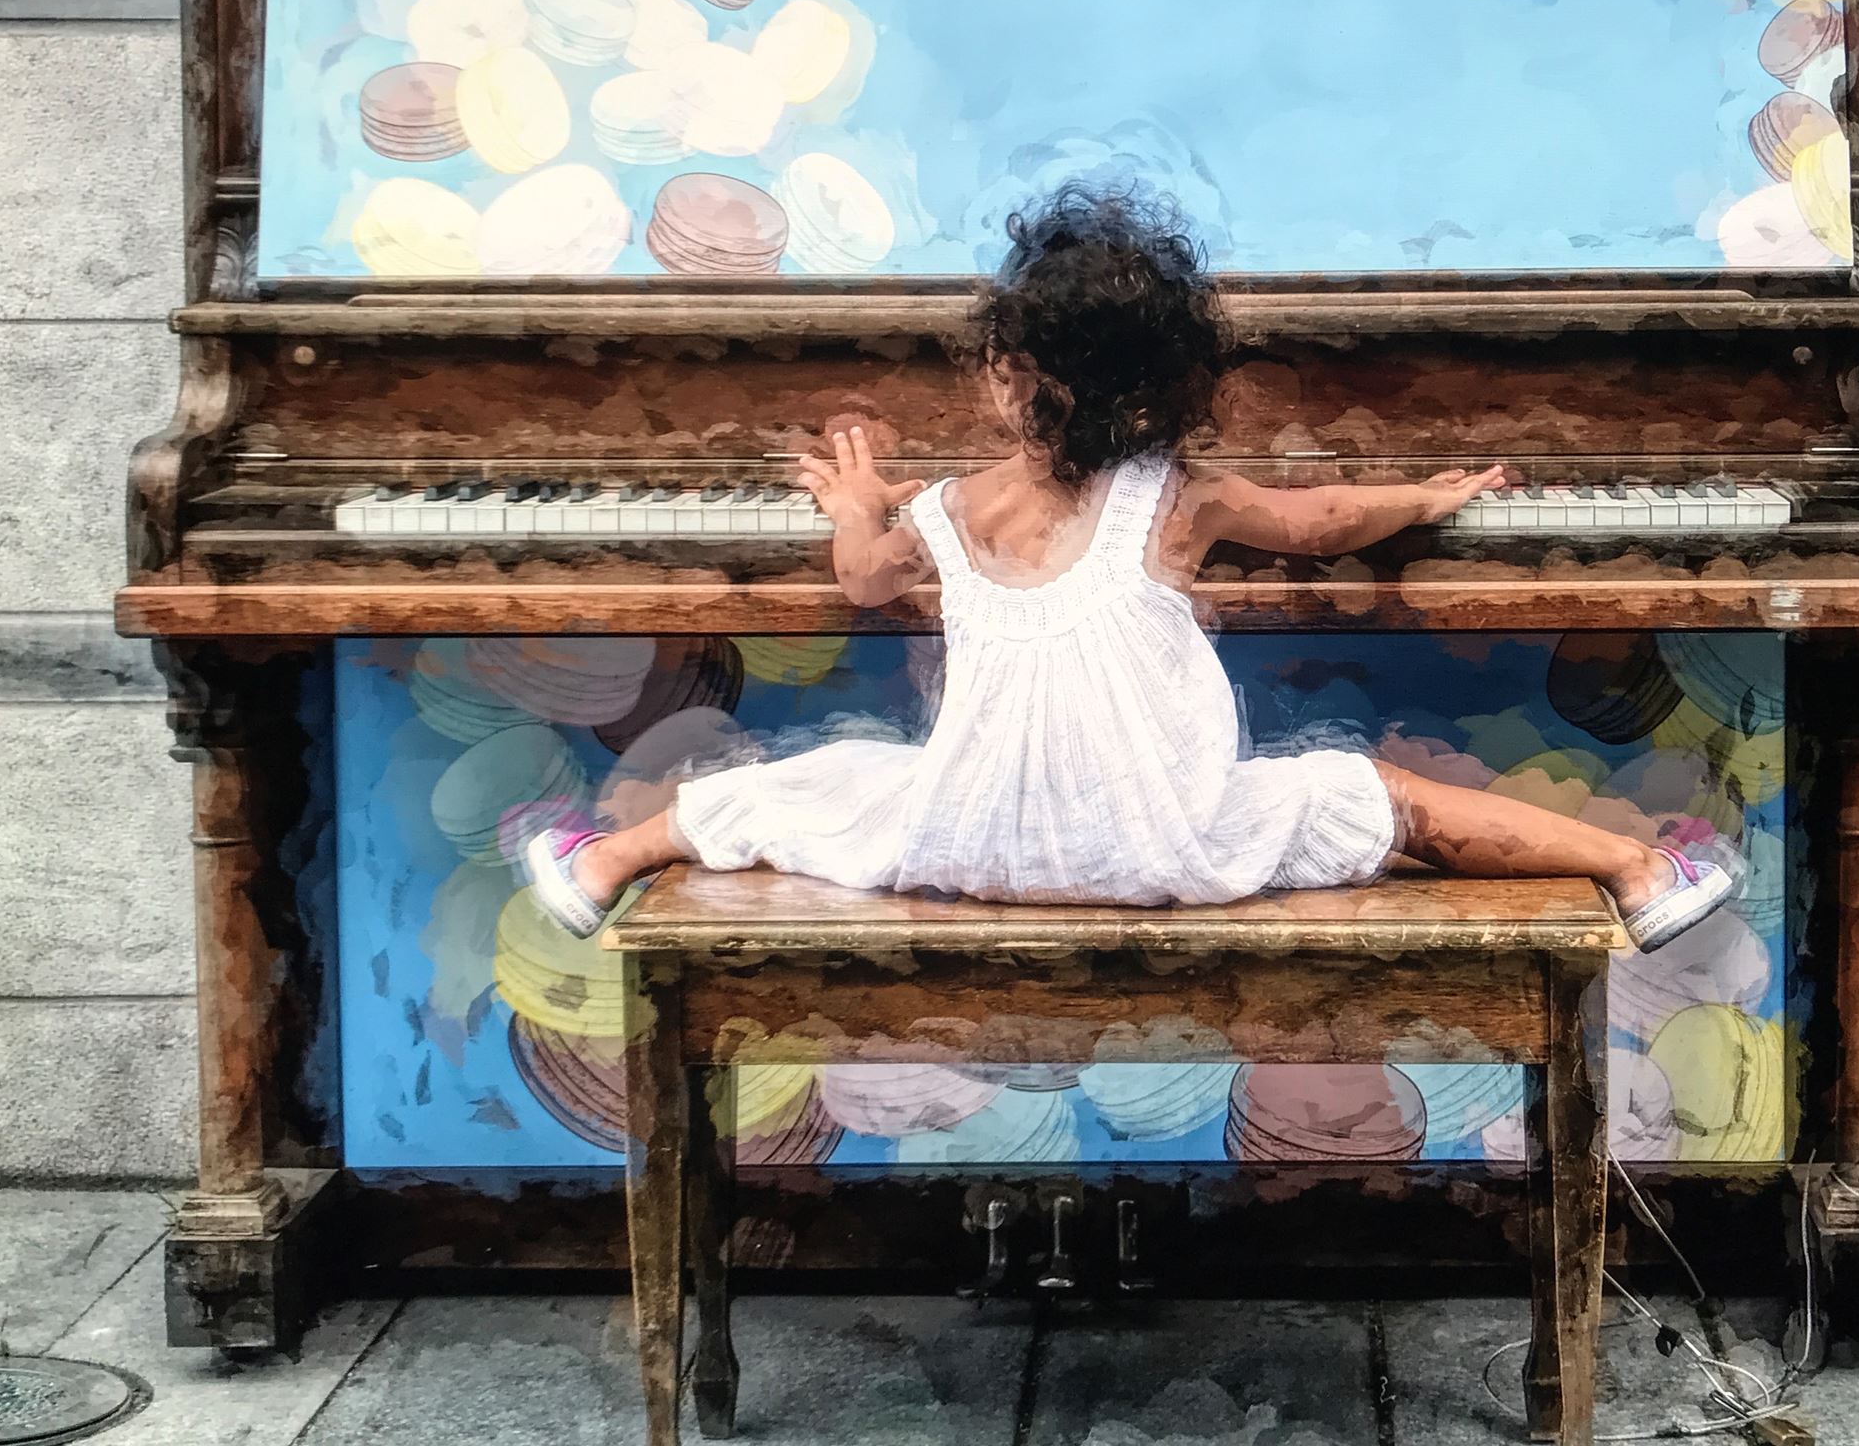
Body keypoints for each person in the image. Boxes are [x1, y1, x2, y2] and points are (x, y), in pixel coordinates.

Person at [526, 184, 1738, 950]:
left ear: (999, 372)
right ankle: (1639, 870)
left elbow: (862, 581)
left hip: (968, 839)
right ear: (1166, 386)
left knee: (813, 783)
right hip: (1170, 845)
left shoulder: (947, 506)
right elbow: (1319, 520)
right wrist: (1426, 495)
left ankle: (605, 858)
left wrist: (853, 502)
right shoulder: (1181, 496)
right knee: (1386, 796)